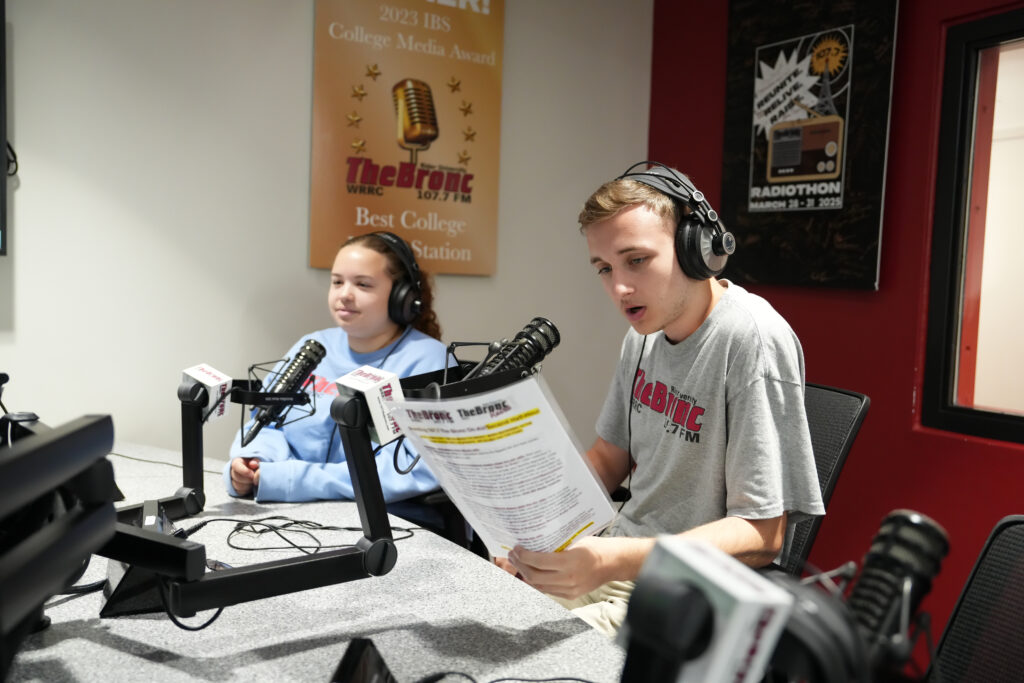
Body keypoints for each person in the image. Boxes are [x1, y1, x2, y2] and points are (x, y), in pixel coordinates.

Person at [503, 161, 825, 635]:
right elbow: (609, 459)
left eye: (637, 260)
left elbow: (763, 534)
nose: (620, 288)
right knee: (484, 616)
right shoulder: (643, 335)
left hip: (689, 594)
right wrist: (532, 529)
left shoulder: (750, 338)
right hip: (619, 560)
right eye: (605, 269)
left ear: (699, 249)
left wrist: (613, 559)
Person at [224, 231, 448, 505]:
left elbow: (411, 468)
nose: (344, 295)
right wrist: (253, 462)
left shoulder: (428, 360)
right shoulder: (313, 345)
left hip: (389, 523)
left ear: (402, 296)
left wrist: (293, 480)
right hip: (292, 510)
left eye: (363, 285)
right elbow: (267, 423)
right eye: (337, 282)